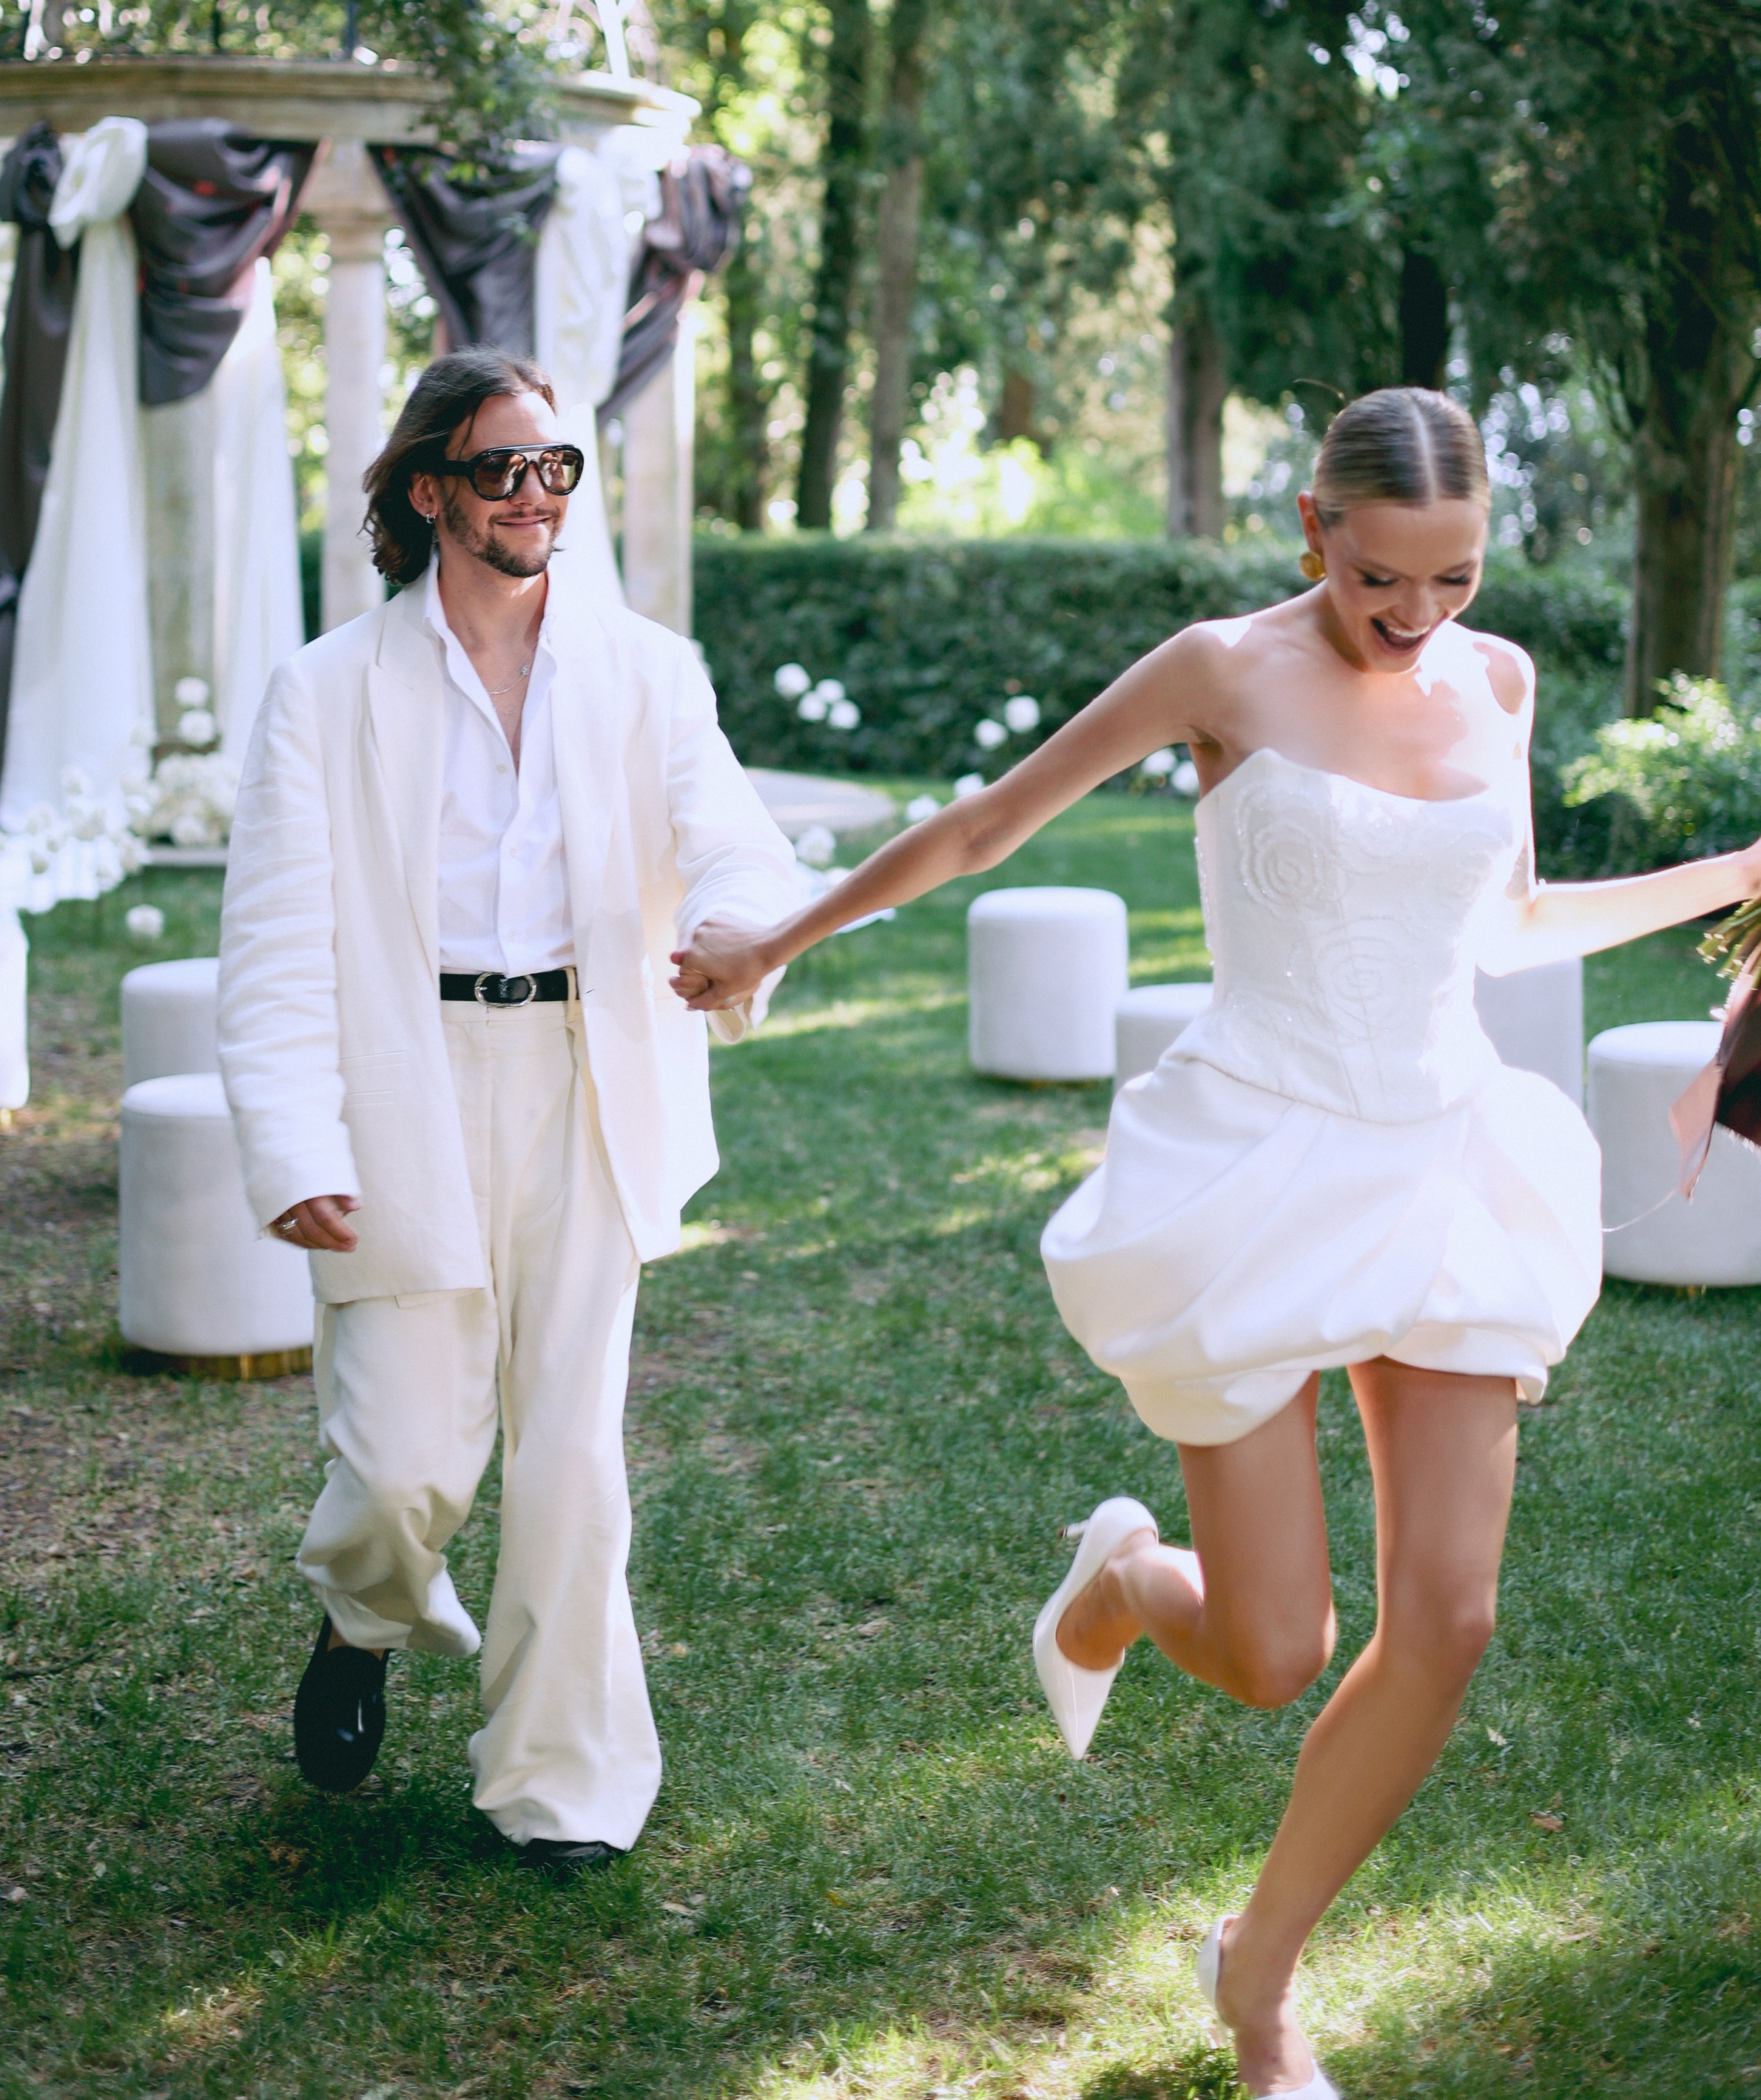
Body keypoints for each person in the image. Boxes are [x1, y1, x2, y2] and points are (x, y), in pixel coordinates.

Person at [670, 386, 1761, 2098]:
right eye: (1379, 579)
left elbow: (1517, 924)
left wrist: (1745, 870)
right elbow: (981, 827)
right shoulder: (1215, 672)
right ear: (1313, 527)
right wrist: (779, 940)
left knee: (1448, 1622)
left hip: (1446, 1152)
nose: (1414, 619)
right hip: (1255, 1154)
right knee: (1270, 1655)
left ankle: (1255, 1981)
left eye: (1453, 580)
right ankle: (1116, 1577)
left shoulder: (1496, 682)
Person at [218, 349, 799, 1874]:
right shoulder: (324, 690)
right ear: (429, 491)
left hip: (587, 1075)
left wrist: (735, 927)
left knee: (567, 1456)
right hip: (401, 1086)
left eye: (555, 468)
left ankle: (556, 1783)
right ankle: (362, 1615)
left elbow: (730, 837)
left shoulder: (647, 672)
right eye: (500, 470)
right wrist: (291, 1143)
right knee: (406, 1455)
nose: (534, 494)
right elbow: (275, 940)